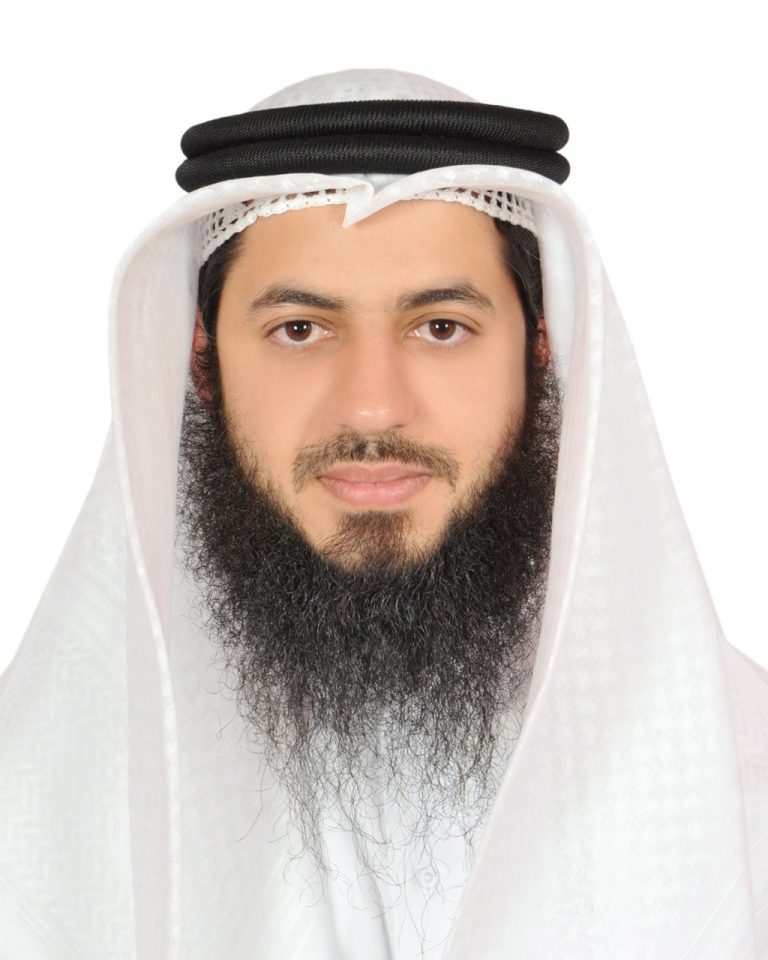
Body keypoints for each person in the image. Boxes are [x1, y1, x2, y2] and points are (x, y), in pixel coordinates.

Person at [0, 68, 766, 960]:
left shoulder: (742, 786)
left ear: (541, 352)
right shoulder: (38, 805)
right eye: (300, 329)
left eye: (441, 327)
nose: (371, 407)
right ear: (203, 362)